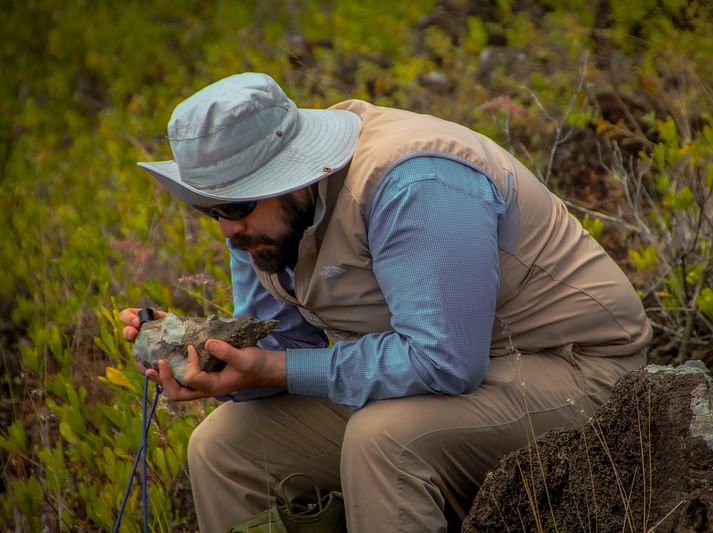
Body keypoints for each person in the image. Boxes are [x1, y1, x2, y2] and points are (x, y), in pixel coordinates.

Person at [120, 72, 651, 532]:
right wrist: (203, 353)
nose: (230, 228)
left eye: (237, 204)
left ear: (296, 175)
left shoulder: (413, 181)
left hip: (581, 371)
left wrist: (276, 367)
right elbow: (282, 347)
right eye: (213, 209)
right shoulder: (263, 227)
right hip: (453, 375)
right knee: (223, 449)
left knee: (386, 440)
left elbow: (442, 362)